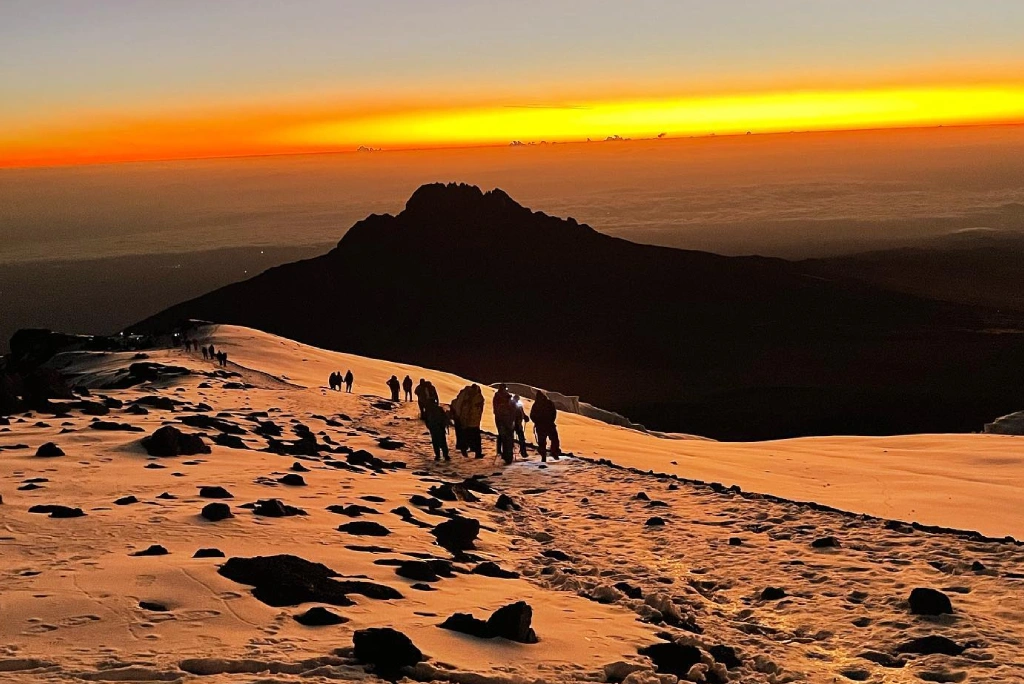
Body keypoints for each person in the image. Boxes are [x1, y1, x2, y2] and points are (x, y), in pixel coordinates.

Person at [450, 384, 484, 458]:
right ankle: (477, 453)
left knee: (468, 436)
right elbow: (470, 410)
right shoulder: (474, 397)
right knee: (476, 437)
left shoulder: (465, 396)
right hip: (472, 421)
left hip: (466, 421)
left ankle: (468, 450)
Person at [530, 390, 561, 462]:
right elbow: (554, 413)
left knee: (542, 442)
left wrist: (537, 422)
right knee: (554, 439)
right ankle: (554, 452)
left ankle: (544, 456)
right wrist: (551, 421)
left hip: (541, 426)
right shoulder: (548, 403)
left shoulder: (536, 404)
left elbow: (532, 415)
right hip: (549, 425)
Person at [492, 384, 515, 464]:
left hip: (507, 420)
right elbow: (497, 409)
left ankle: (508, 455)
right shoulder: (498, 397)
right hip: (502, 420)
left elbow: (512, 408)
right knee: (504, 437)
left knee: (508, 438)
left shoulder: (507, 397)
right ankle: (505, 455)